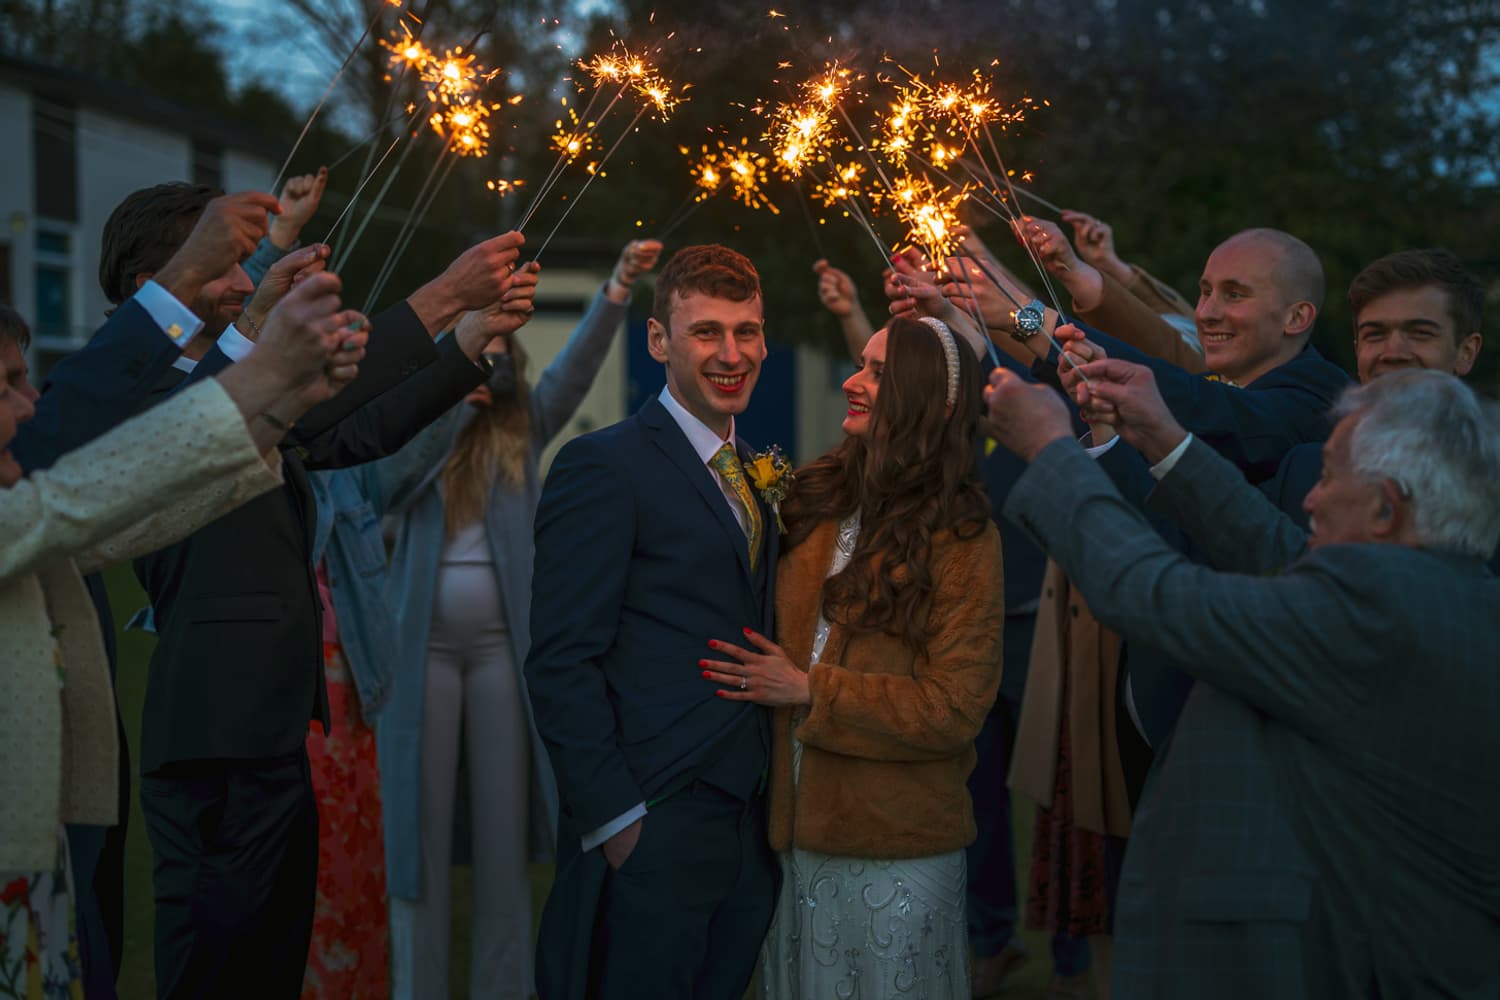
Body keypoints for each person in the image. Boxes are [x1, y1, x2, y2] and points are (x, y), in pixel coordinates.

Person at [115, 177, 532, 997]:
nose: (245, 282)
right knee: (216, 970)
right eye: (225, 265)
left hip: (272, 736)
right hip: (214, 741)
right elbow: (307, 403)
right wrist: (446, 294)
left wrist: (468, 341)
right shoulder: (144, 389)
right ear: (150, 290)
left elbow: (351, 433)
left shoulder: (220, 385)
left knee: (269, 968)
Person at [986, 359, 1500, 999]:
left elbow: (1155, 595)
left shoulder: (1378, 610)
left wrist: (1051, 451)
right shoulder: (1443, 593)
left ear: (1384, 507)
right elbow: (1272, 546)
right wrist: (1161, 434)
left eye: (1328, 477)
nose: (1308, 496)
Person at [0, 274, 369, 1000]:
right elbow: (99, 489)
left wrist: (284, 403)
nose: (29, 404)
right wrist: (265, 372)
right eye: (8, 384)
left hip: (39, 870)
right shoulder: (21, 519)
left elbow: (154, 510)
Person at [367, 238, 658, 999]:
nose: (491, 366)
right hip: (419, 649)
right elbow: (387, 486)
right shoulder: (415, 428)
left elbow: (574, 372)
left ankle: (507, 989)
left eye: (501, 354)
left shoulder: (522, 432)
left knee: (503, 837)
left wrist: (619, 288)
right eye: (479, 352)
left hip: (503, 652)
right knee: (416, 841)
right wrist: (438, 405)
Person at [699, 314, 1004, 998]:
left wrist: (812, 690)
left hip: (899, 849)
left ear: (934, 401)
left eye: (875, 371)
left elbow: (954, 709)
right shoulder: (815, 497)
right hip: (796, 847)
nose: (852, 381)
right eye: (860, 363)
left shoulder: (963, 538)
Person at [526, 244, 779, 1000]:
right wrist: (618, 825)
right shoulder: (603, 466)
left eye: (748, 331)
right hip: (654, 818)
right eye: (706, 333)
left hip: (750, 824)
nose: (732, 354)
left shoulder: (760, 472)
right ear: (660, 342)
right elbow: (560, 659)